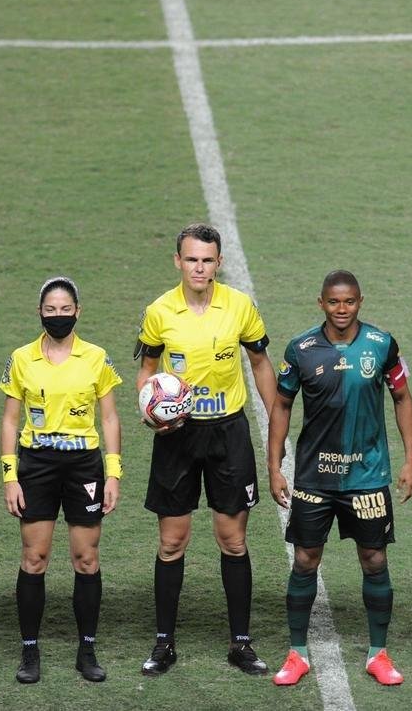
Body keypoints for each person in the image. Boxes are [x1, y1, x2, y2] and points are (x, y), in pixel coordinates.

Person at [134, 223, 278, 677]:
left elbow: (259, 363)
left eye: (207, 260)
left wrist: (278, 426)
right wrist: (150, 410)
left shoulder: (240, 307)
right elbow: (148, 370)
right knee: (172, 542)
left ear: (219, 263)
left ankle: (240, 643)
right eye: (191, 259)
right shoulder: (159, 312)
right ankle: (164, 644)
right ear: (178, 261)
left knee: (233, 541)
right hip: (176, 437)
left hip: (228, 434)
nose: (199, 267)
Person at [266, 271, 412, 687]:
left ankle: (378, 653)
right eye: (334, 302)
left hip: (368, 476)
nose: (341, 309)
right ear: (321, 303)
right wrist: (274, 463)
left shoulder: (382, 345)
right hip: (315, 478)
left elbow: (402, 398)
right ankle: (297, 653)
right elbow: (281, 405)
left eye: (349, 302)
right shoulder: (301, 349)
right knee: (304, 560)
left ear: (360, 301)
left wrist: (411, 460)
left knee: (374, 559)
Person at [0, 277, 123, 684]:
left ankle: (86, 649)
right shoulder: (21, 358)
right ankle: (29, 651)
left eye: (64, 309)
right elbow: (9, 420)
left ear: (77, 312)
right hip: (36, 465)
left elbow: (109, 418)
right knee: (35, 557)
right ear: (40, 312)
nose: (58, 316)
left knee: (86, 558)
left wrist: (114, 473)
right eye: (50, 310)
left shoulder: (97, 357)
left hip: (84, 466)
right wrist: (9, 476)